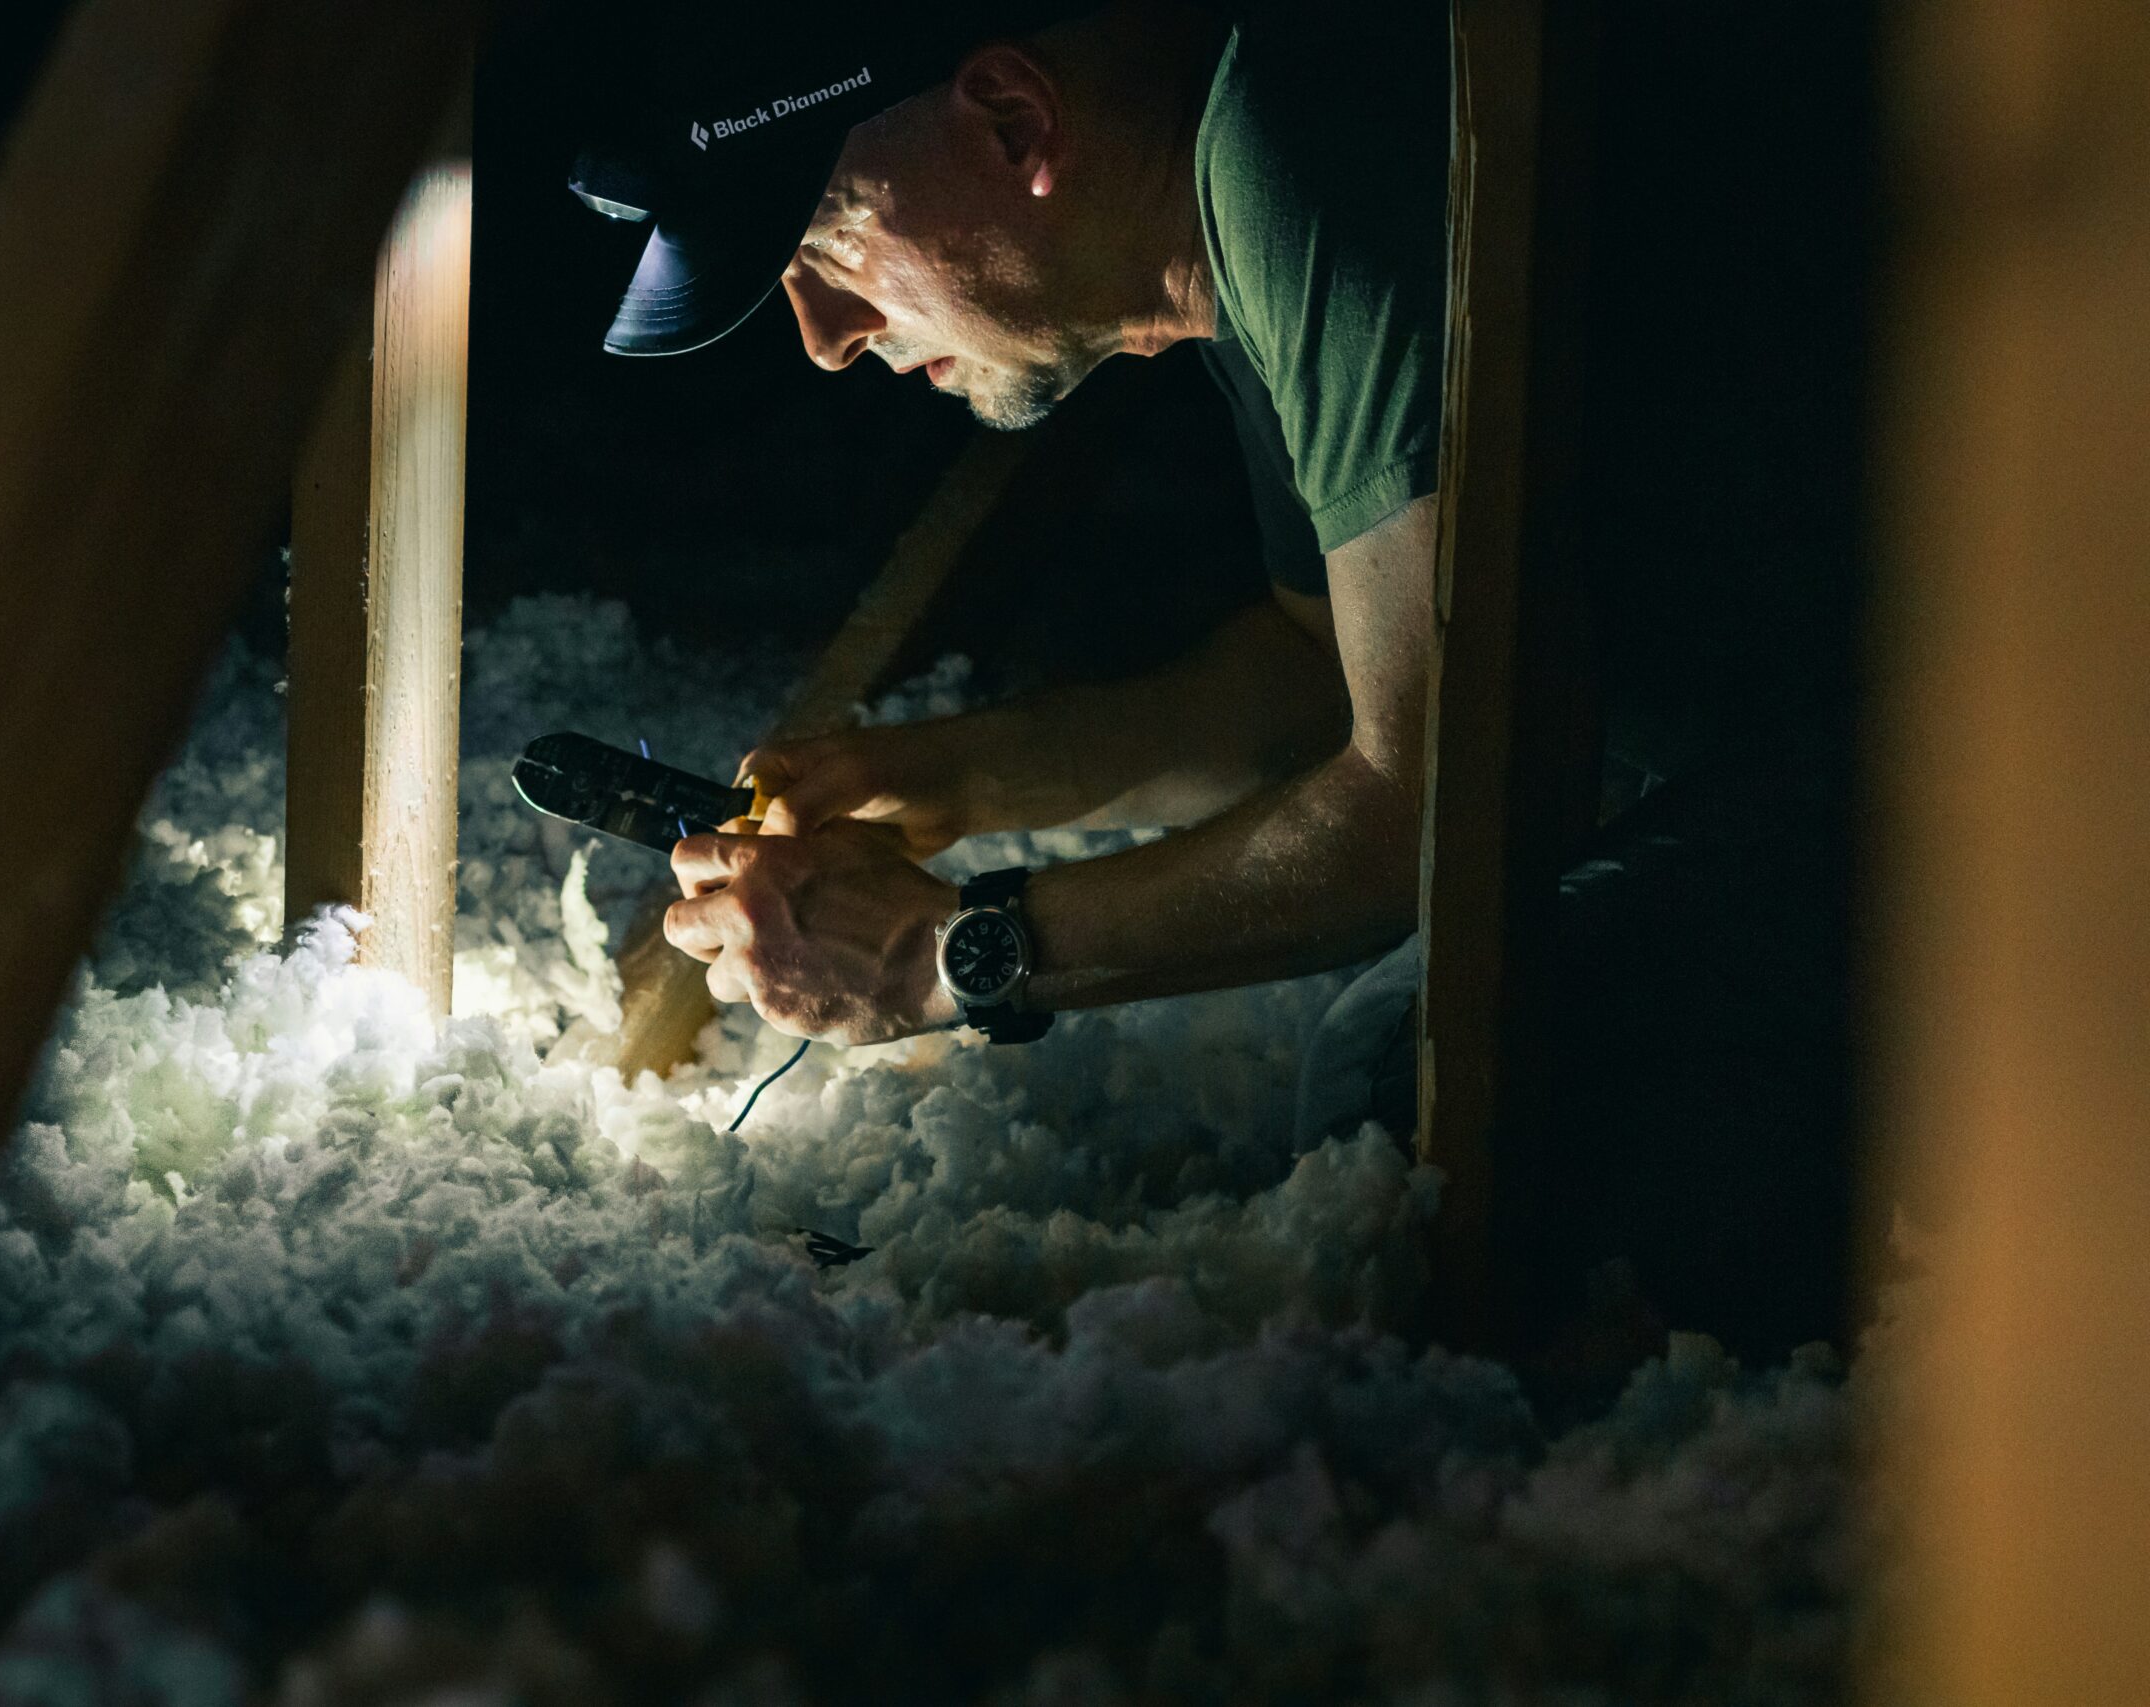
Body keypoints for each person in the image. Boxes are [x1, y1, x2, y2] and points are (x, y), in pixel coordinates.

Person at [568, 0, 1857, 1352]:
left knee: (1423, 1106)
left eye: (825, 245)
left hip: (2004, 738)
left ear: (1016, 121)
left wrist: (938, 957)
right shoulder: (1224, 212)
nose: (825, 335)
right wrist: (960, 777)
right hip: (1804, 733)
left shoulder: (1304, 137)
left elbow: (1438, 798)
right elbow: (1324, 659)